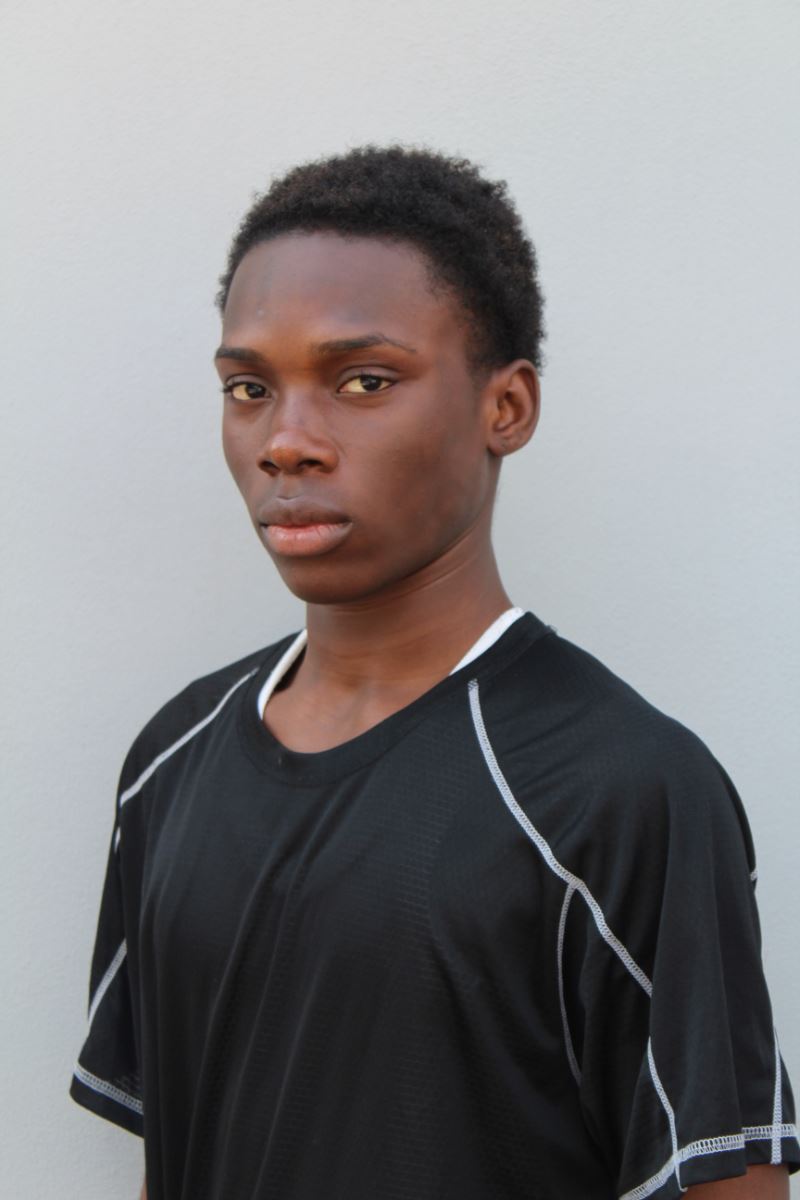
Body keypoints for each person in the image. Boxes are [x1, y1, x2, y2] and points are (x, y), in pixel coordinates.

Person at [70, 145, 798, 1200]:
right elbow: (182, 1149)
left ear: (506, 407)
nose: (286, 442)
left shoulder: (620, 789)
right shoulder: (170, 760)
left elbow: (726, 1183)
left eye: (363, 381)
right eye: (248, 388)